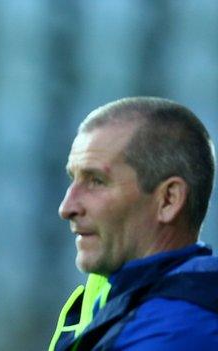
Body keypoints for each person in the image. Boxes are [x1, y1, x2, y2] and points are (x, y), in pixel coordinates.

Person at [49, 97, 218, 350]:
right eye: (74, 179)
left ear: (168, 200)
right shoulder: (113, 300)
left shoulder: (175, 330)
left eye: (96, 181)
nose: (67, 208)